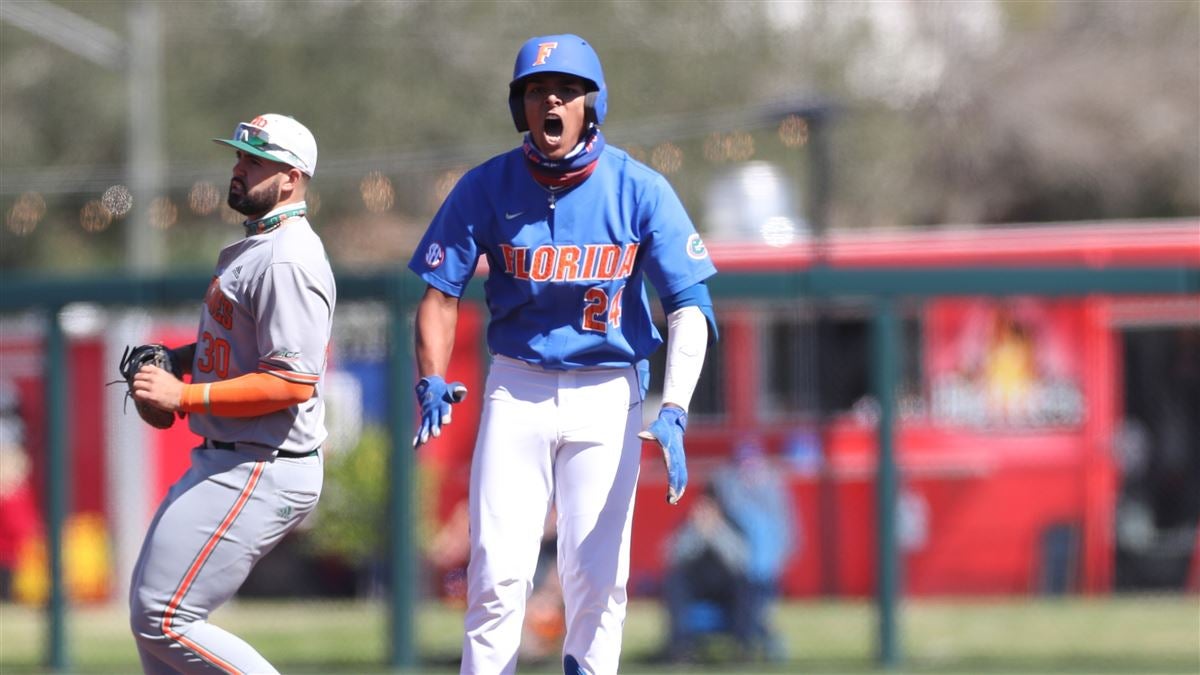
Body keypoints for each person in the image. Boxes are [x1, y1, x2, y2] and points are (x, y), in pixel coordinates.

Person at [408, 34, 718, 675]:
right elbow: (439, 293)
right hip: (516, 384)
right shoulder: (487, 186)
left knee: (597, 578)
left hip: (607, 392)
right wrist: (432, 377)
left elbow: (690, 304)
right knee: (495, 574)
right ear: (519, 105)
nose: (549, 99)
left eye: (565, 90)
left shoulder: (638, 187)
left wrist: (678, 406)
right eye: (535, 90)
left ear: (589, 105)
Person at [127, 113, 336, 674]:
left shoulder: (287, 258)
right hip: (234, 457)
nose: (238, 168)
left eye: (254, 160)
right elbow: (247, 349)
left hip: (263, 463)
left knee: (164, 617)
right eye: (239, 156)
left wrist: (184, 397)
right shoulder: (258, 247)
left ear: (291, 178)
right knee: (155, 625)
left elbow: (292, 381)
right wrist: (178, 362)